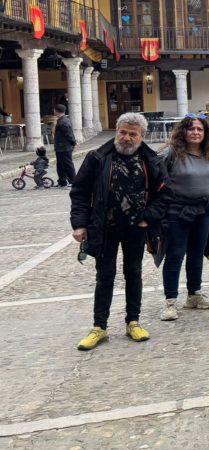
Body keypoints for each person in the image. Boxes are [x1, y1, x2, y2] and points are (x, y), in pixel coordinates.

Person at [71, 113, 164, 351]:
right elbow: (80, 192)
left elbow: (164, 195)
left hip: (136, 228)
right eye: (123, 132)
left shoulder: (151, 160)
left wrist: (148, 217)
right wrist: (79, 224)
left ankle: (133, 321)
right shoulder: (98, 157)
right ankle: (99, 326)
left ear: (142, 136)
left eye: (133, 134)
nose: (126, 138)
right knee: (105, 276)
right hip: (104, 226)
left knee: (133, 273)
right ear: (116, 131)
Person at [152, 116, 209, 321]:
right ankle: (170, 301)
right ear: (183, 132)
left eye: (200, 129)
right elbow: (155, 172)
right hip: (176, 210)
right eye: (191, 129)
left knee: (197, 253)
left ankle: (194, 294)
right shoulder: (171, 153)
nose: (196, 132)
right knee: (175, 254)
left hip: (203, 209)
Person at [53, 104, 77, 188]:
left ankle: (73, 182)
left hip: (64, 147)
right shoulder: (62, 120)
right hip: (61, 147)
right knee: (60, 165)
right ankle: (62, 182)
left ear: (56, 111)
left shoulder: (63, 122)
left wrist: (74, 142)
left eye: (54, 110)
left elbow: (69, 134)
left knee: (68, 165)